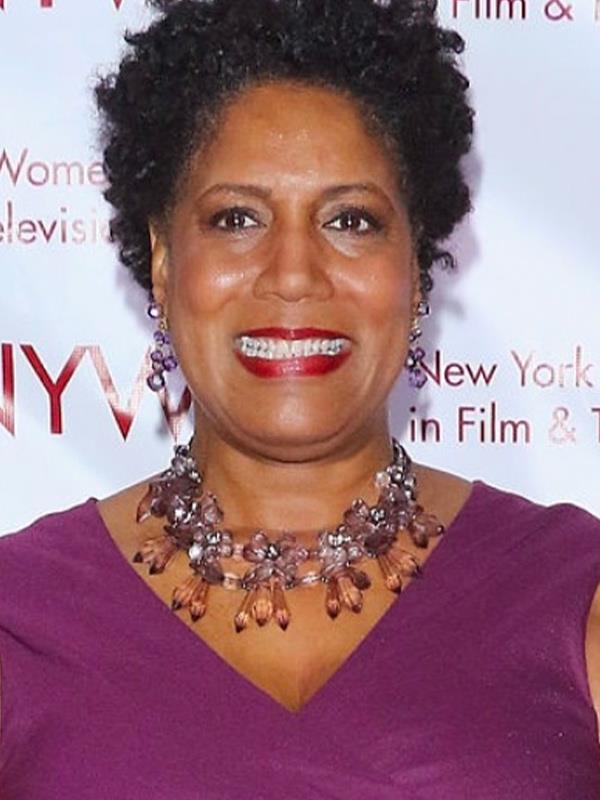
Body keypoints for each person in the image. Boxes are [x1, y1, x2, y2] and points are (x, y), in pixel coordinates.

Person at [1, 0, 599, 797]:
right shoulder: (21, 614)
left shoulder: (570, 593)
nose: (292, 273)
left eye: (350, 220)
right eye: (236, 218)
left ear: (417, 266)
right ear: (164, 261)